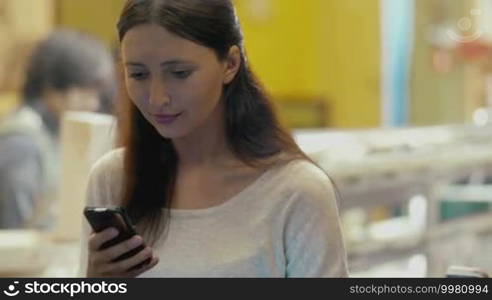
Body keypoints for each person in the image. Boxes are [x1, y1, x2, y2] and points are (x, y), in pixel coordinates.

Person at [79, 0, 348, 278]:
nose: (157, 98)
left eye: (180, 73)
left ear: (230, 64)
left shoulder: (296, 192)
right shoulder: (113, 179)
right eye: (138, 74)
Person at [0, 29, 114, 229]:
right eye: (85, 92)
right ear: (53, 88)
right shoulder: (22, 142)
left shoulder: (54, 130)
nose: (93, 104)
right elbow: (15, 227)